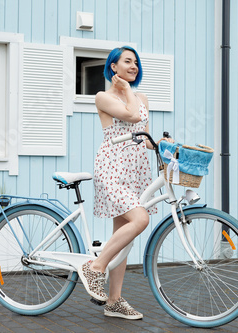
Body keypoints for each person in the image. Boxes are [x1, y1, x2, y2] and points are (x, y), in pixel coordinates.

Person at [78, 46, 173, 320]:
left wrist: (158, 143)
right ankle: (95, 267)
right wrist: (128, 91)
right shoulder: (103, 97)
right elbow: (132, 116)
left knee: (124, 236)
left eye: (136, 62)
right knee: (140, 219)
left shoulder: (141, 96)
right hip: (112, 168)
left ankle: (114, 300)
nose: (134, 66)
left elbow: (140, 133)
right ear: (113, 67)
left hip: (135, 170)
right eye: (127, 62)